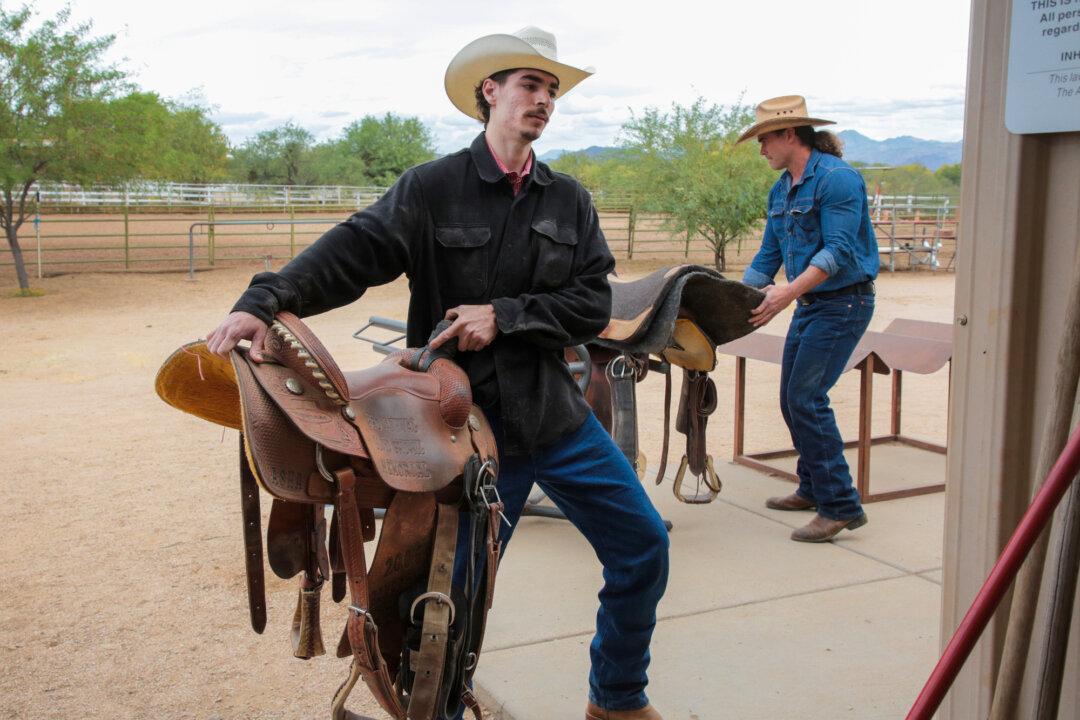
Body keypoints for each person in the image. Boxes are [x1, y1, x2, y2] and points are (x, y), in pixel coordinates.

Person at [206, 26, 668, 720]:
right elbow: (353, 251)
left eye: (551, 90)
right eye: (529, 85)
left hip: (555, 417)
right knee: (452, 598)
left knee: (644, 547)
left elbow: (592, 300)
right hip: (464, 429)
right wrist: (264, 299)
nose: (542, 101)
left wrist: (505, 315)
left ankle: (618, 699)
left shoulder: (568, 199)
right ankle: (440, 713)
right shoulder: (431, 188)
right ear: (491, 91)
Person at [736, 95, 879, 543]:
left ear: (789, 135)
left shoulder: (838, 180)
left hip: (844, 303)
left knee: (806, 397)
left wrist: (786, 294)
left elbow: (838, 251)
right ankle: (812, 486)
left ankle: (840, 505)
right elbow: (769, 254)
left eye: (764, 141)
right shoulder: (781, 190)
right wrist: (734, 298)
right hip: (812, 304)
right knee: (791, 397)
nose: (762, 151)